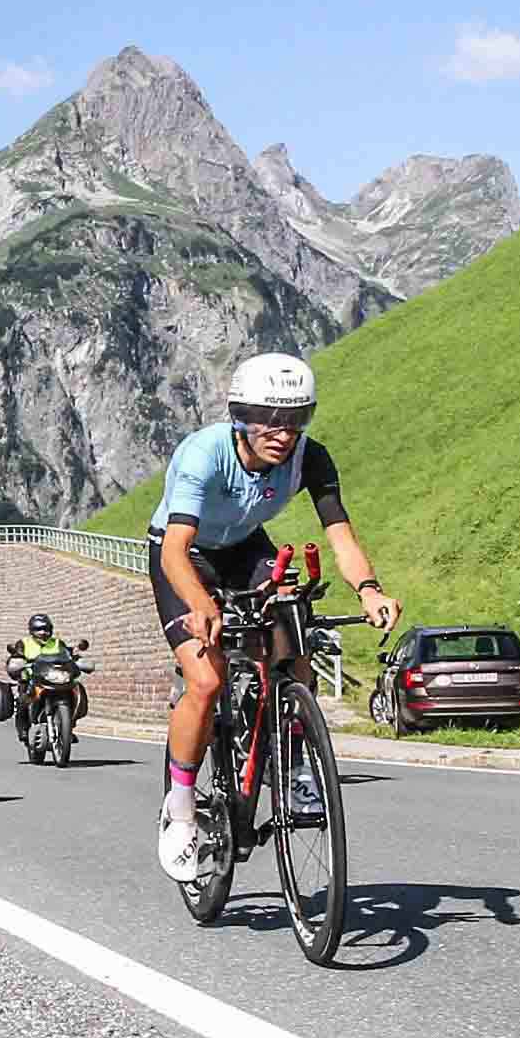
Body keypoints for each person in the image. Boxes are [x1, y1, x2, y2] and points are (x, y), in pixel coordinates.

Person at [151, 351, 400, 880]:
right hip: (185, 553)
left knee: (293, 629)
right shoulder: (203, 454)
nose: (282, 432)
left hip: (244, 546)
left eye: (295, 419)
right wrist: (200, 603)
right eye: (268, 418)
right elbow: (175, 550)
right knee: (206, 678)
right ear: (240, 415)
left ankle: (295, 762)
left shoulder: (311, 458)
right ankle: (180, 807)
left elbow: (342, 537)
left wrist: (370, 590)